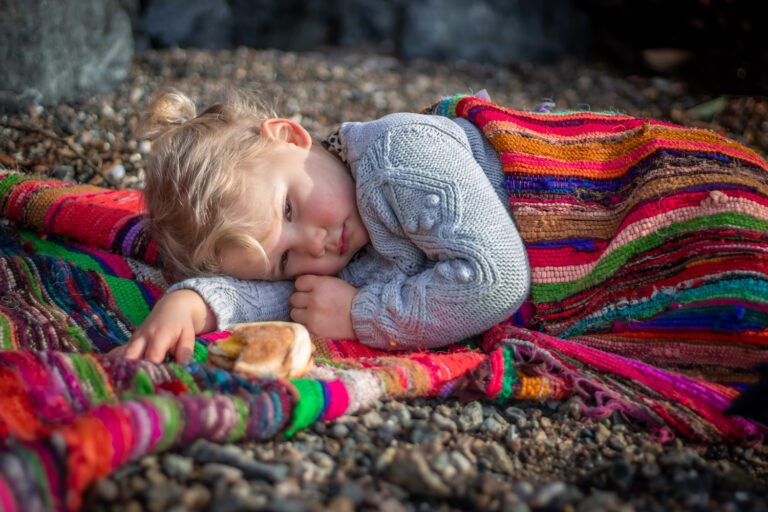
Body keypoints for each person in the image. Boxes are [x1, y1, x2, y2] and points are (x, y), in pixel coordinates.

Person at [114, 88, 530, 363]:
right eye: (284, 259)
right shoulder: (335, 250)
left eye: (289, 210)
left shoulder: (397, 157)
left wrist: (360, 314)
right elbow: (287, 298)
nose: (314, 246)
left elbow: (497, 281)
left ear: (289, 138)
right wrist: (193, 304)